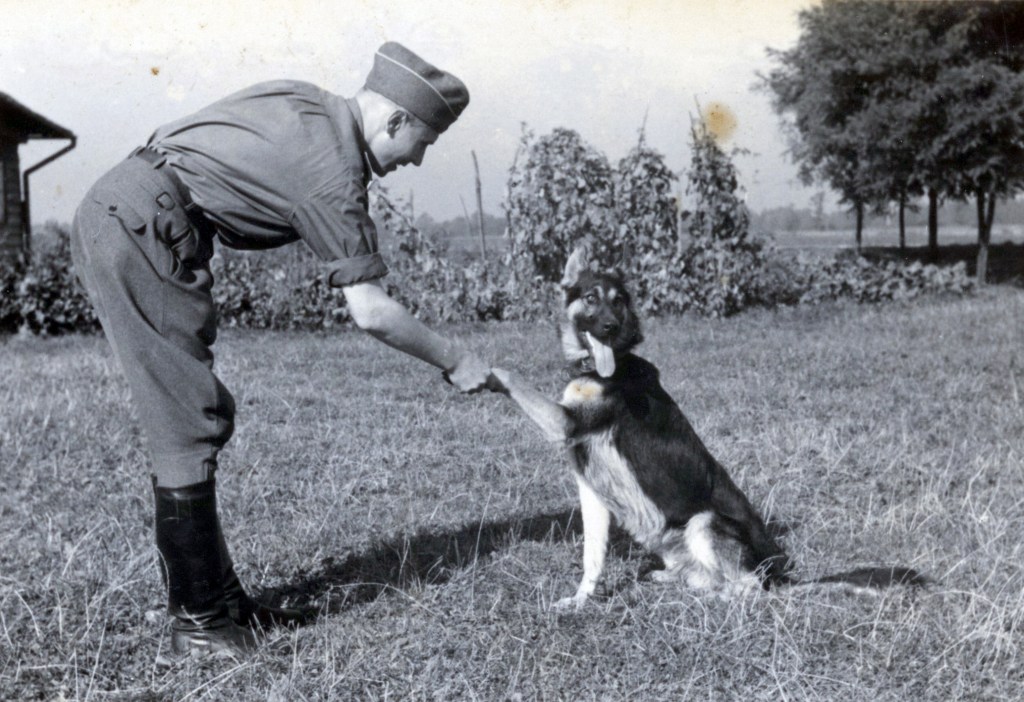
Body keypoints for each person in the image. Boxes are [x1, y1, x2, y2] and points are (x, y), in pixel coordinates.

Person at [70, 42, 491, 659]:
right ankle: (200, 621)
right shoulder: (333, 173)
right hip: (143, 226)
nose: (418, 160)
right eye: (422, 142)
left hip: (137, 209)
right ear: (395, 120)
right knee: (186, 420)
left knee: (191, 412)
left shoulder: (310, 102)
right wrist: (456, 360)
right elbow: (372, 312)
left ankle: (224, 600)